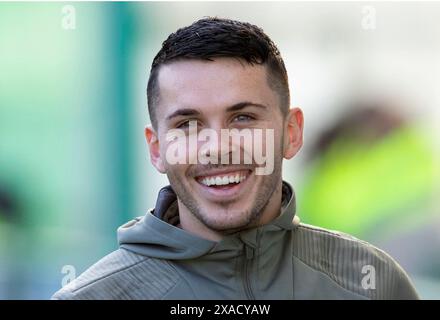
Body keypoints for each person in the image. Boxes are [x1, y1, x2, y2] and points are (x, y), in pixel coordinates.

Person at [52, 17, 419, 300]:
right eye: (189, 123)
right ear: (157, 149)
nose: (218, 147)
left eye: (242, 118)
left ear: (291, 133)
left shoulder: (372, 282)